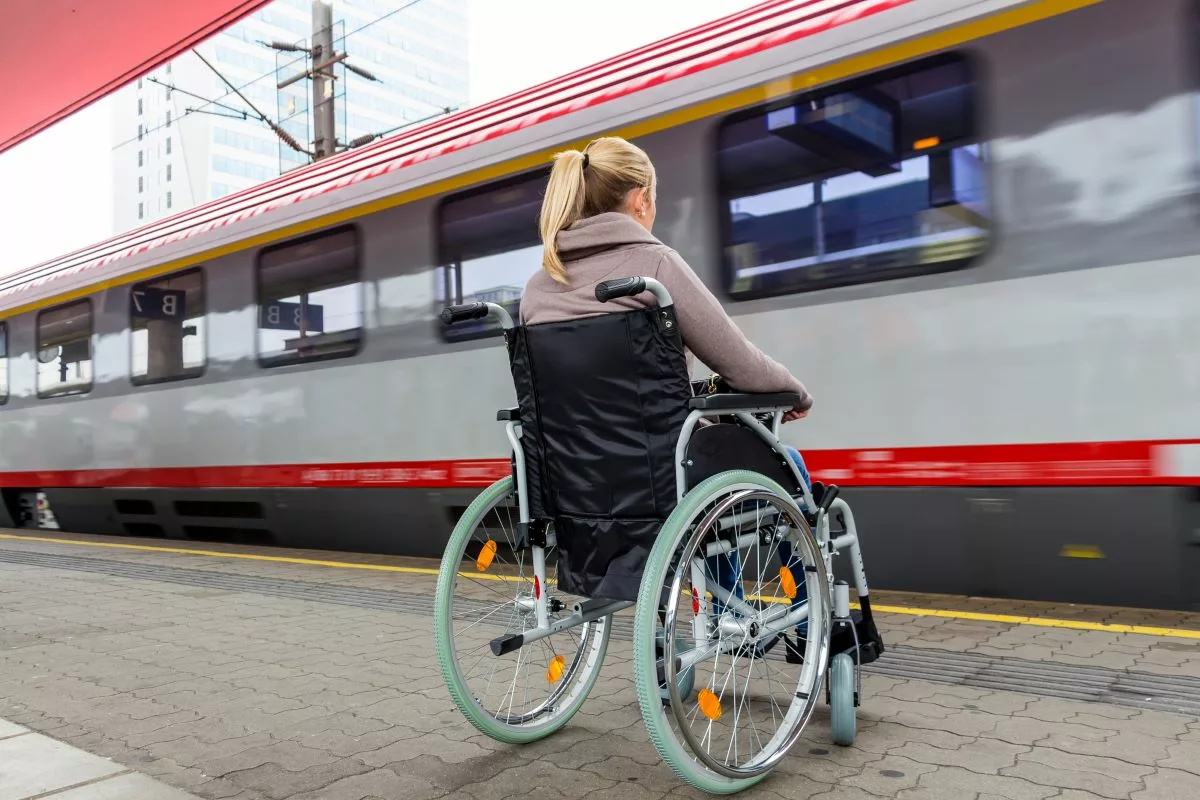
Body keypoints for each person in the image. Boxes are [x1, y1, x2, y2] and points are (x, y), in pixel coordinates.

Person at [520, 136, 814, 652]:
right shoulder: (653, 266)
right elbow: (736, 359)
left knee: (709, 474)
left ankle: (724, 611)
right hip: (663, 475)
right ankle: (805, 625)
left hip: (576, 483)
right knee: (781, 466)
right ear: (639, 199)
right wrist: (792, 391)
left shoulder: (538, 287)